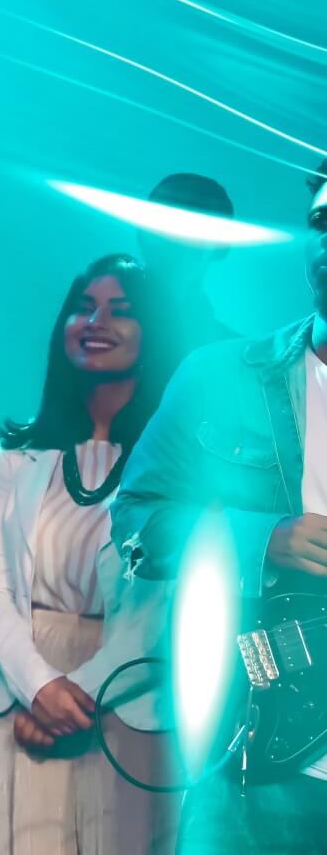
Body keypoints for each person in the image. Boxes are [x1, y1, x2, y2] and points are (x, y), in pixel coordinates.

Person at [112, 178, 327, 851]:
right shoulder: (220, 375)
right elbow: (135, 522)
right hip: (264, 751)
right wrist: (262, 539)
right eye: (323, 222)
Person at [0, 255, 178, 853]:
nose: (96, 322)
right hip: (23, 690)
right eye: (84, 308)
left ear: (152, 332)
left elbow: (167, 605)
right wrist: (39, 688)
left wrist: (75, 696)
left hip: (126, 698)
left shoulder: (177, 462)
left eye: (120, 311)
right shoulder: (18, 451)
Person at [137, 173, 237, 360]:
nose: (171, 234)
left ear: (221, 246)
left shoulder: (233, 354)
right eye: (160, 218)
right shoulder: (91, 330)